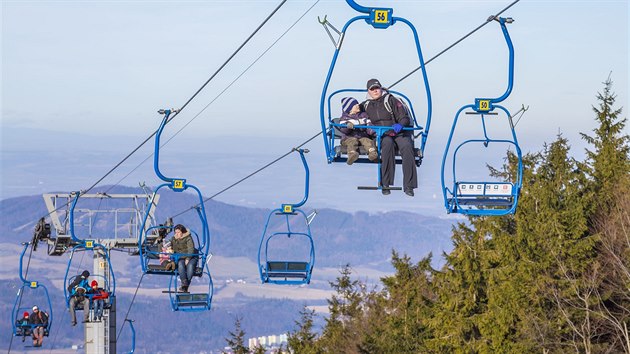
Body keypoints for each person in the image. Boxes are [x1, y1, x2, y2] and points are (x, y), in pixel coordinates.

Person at [359, 78, 417, 196]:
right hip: (382, 134)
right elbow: (352, 112)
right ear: (368, 91)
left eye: (377, 88)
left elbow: (404, 117)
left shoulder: (390, 100)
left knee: (406, 147)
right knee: (387, 144)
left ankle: (409, 185)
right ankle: (385, 183)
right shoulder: (366, 105)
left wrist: (400, 125)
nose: (375, 91)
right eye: (372, 89)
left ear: (381, 88)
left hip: (398, 132)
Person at [339, 97, 378, 165]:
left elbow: (369, 126)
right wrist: (348, 127)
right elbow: (343, 129)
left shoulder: (363, 116)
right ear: (350, 109)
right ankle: (352, 154)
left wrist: (374, 133)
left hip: (362, 136)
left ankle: (372, 153)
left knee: (367, 141)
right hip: (348, 138)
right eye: (355, 105)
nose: (358, 105)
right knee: (352, 141)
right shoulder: (345, 118)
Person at [171, 224, 198, 293]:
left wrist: (188, 258)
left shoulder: (188, 238)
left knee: (190, 265)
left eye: (178, 232)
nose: (177, 234)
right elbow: (169, 245)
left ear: (182, 232)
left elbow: (191, 248)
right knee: (180, 264)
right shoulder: (174, 239)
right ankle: (185, 283)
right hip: (181, 257)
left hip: (192, 256)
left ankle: (185, 286)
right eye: (175, 232)